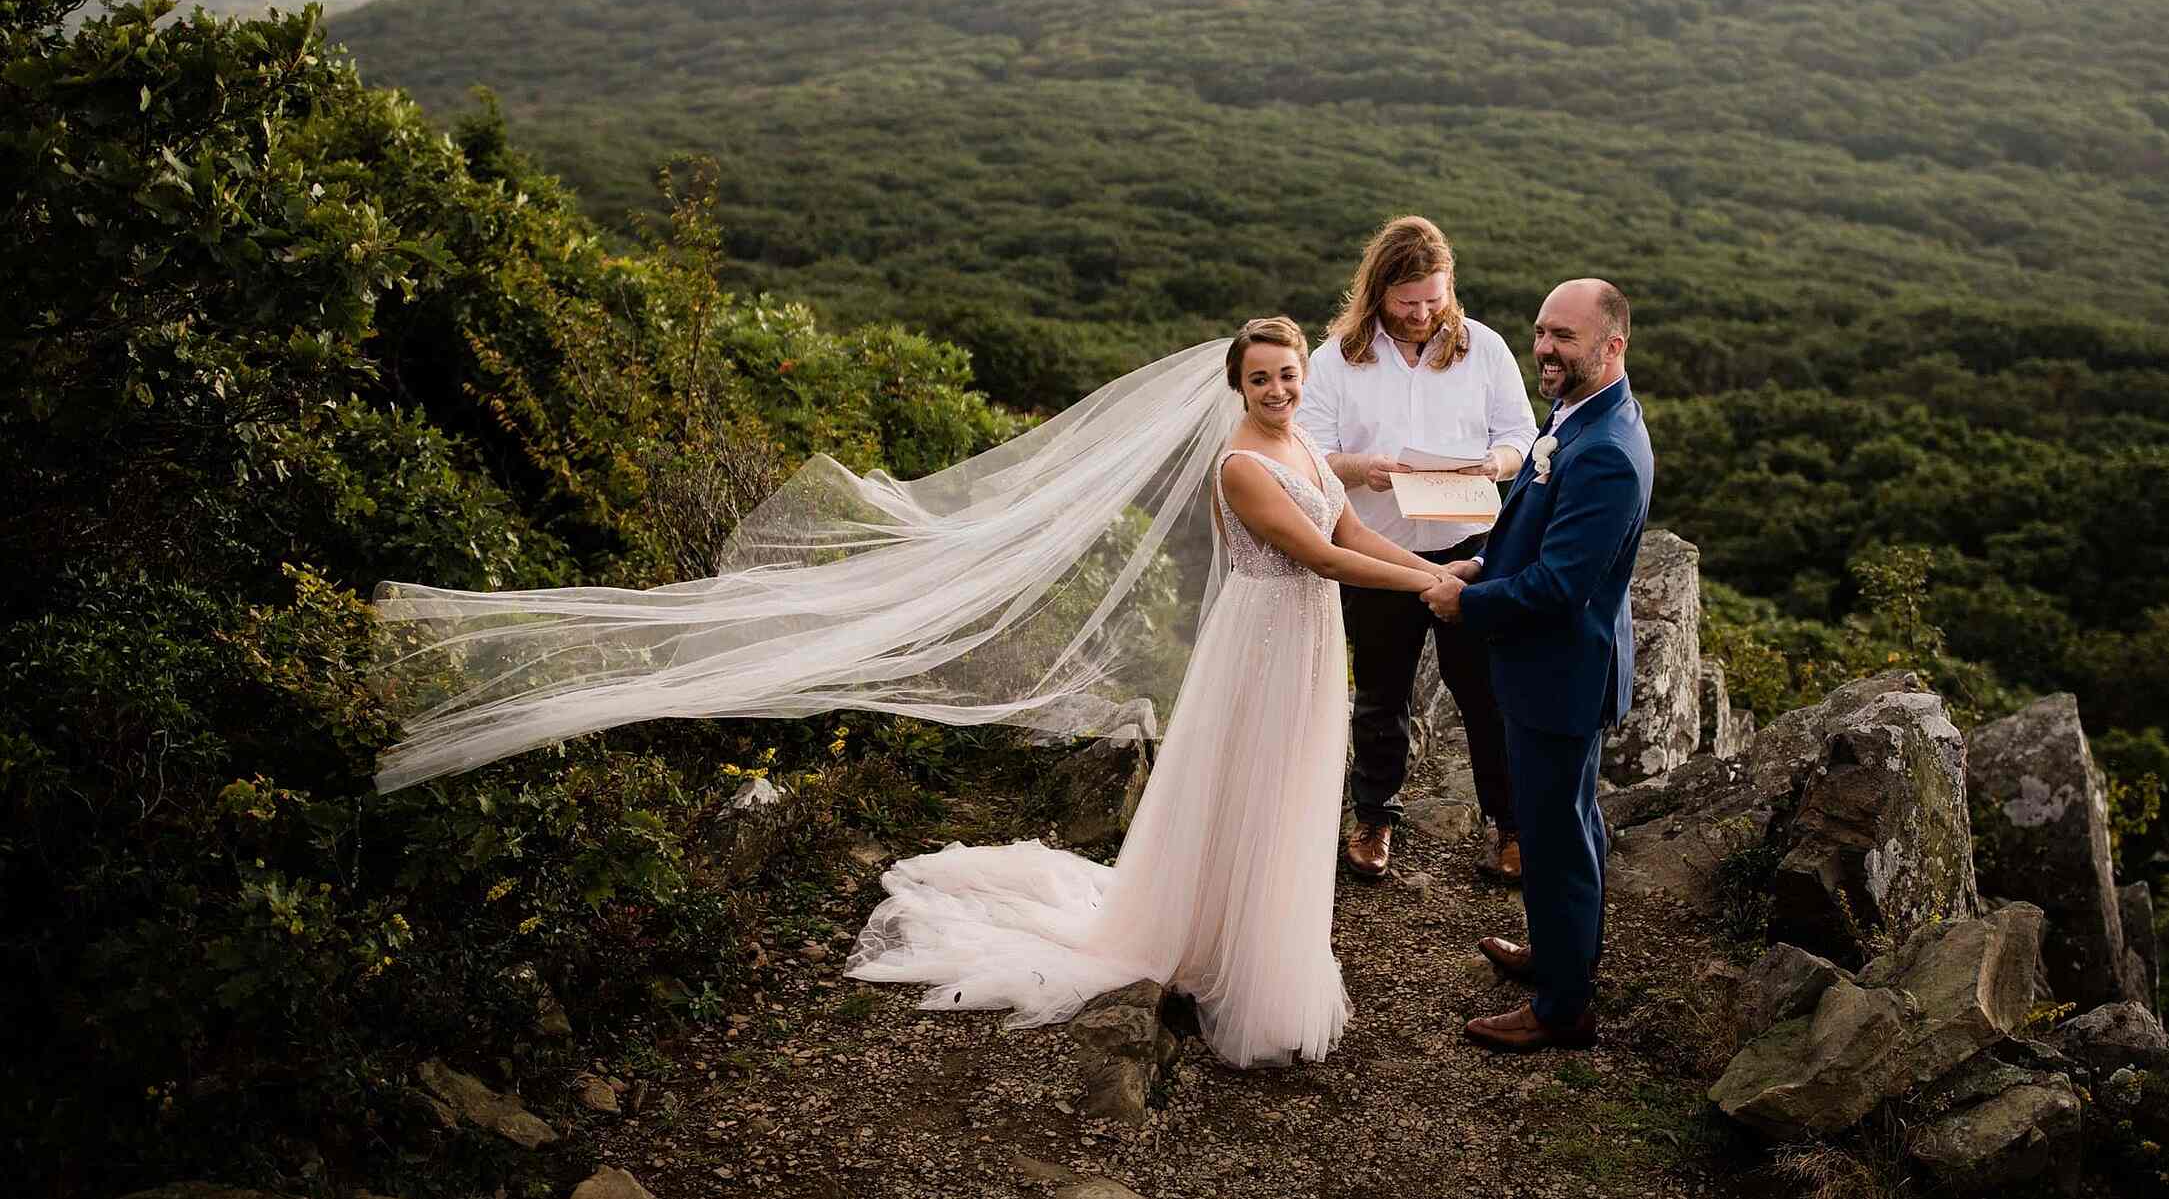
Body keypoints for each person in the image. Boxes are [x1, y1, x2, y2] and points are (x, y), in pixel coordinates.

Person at [372, 317, 1471, 1069]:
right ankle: (1214, 955)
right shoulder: (1241, 462)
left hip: (1304, 647)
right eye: (1263, 378)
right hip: (1262, 645)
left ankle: (1243, 940)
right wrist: (1426, 578)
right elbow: (1320, 559)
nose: (1279, 389)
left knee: (1284, 797)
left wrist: (1423, 553)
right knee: (1253, 786)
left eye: (1289, 375)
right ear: (1237, 387)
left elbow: (1344, 528)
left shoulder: (1307, 447)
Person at [1423, 280, 1653, 1053]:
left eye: (1565, 336)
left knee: (1558, 837)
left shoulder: (1609, 453)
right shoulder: (1579, 417)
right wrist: (1484, 560)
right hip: (1555, 668)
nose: (1546, 348)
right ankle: (1559, 957)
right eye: (1541, 331)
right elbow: (1538, 532)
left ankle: (1564, 1007)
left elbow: (1559, 587)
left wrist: (1469, 605)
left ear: (1612, 346)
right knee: (1568, 825)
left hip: (1560, 674)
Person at [1301, 217, 1538, 886]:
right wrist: (1361, 468)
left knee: (1487, 695)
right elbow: (1311, 455)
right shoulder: (1335, 360)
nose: (1423, 313)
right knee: (1381, 694)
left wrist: (1494, 462)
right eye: (1408, 303)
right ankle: (1375, 818)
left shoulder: (1484, 349)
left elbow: (1522, 434)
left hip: (1469, 551)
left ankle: (1509, 826)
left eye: (1434, 299)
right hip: (1379, 555)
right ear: (1378, 292)